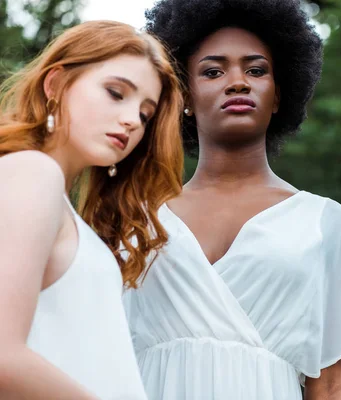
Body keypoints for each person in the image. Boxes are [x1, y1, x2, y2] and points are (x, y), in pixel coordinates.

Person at [123, 1, 341, 399]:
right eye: (213, 71)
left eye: (256, 70)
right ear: (184, 96)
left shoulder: (324, 223)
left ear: (278, 94)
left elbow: (331, 385)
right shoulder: (137, 219)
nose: (238, 82)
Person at [0, 20, 183, 399]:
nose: (133, 120)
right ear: (55, 84)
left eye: (146, 114)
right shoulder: (34, 172)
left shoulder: (53, 196)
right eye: (116, 93)